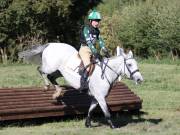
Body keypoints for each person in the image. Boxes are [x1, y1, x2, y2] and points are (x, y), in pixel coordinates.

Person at [79, 9, 110, 89]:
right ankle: (83, 84)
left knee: (101, 64)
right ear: (90, 21)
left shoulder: (97, 31)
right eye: (95, 21)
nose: (97, 23)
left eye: (98, 21)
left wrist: (105, 49)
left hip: (92, 49)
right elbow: (89, 42)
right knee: (89, 67)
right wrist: (96, 52)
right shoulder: (86, 29)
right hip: (85, 49)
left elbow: (100, 41)